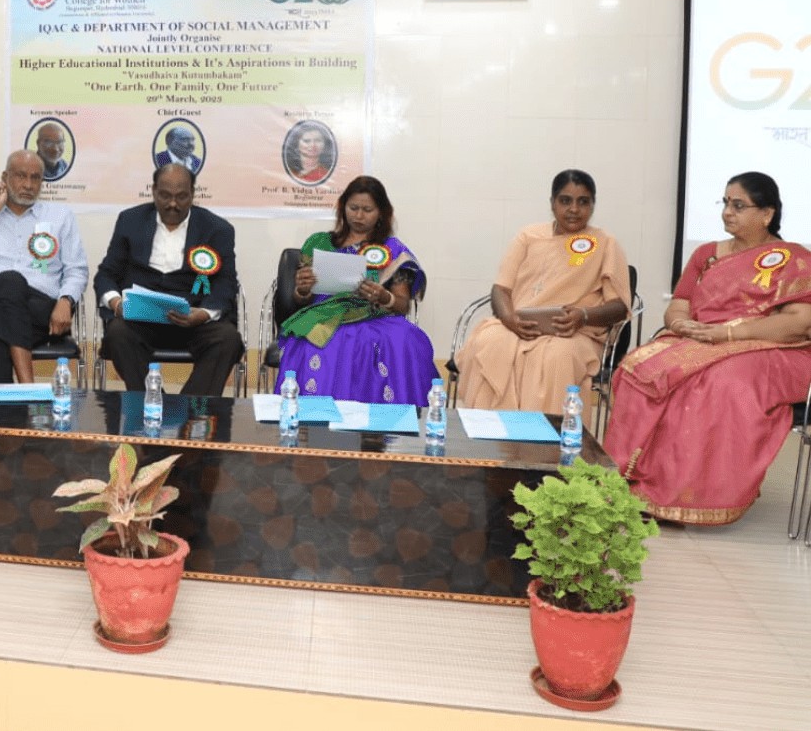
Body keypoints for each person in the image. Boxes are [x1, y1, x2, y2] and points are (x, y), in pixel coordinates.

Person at [604, 172, 811, 526]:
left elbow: (800, 322)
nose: (727, 212)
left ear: (767, 214)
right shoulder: (707, 254)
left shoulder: (795, 259)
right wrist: (682, 324)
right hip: (699, 340)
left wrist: (728, 334)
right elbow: (679, 304)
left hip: (773, 349)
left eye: (739, 205)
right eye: (726, 203)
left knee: (716, 382)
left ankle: (683, 496)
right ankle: (628, 481)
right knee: (636, 368)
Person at [455, 170, 630, 417]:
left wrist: (583, 316)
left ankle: (547, 437)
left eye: (583, 202)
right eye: (565, 200)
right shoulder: (529, 236)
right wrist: (510, 319)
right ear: (552, 203)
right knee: (489, 341)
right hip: (519, 325)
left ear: (593, 205)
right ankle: (489, 429)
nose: (574, 209)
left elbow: (619, 307)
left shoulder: (605, 243)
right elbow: (501, 289)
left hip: (574, 332)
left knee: (557, 356)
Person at [276, 176, 436, 405]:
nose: (359, 216)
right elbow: (301, 301)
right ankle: (316, 419)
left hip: (376, 319)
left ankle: (382, 421)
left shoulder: (393, 250)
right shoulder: (319, 243)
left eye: (367, 210)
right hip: (324, 317)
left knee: (404, 339)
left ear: (382, 213)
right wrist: (302, 290)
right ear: (343, 207)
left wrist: (384, 296)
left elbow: (402, 305)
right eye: (353, 208)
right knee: (317, 338)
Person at [94, 164, 242, 394]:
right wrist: (116, 303)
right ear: (153, 191)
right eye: (165, 195)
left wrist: (204, 314)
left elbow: (226, 282)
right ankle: (151, 400)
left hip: (192, 318)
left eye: (181, 196)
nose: (173, 204)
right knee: (118, 333)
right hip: (142, 320)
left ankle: (190, 410)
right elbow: (106, 274)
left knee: (227, 339)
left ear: (193, 194)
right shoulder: (130, 221)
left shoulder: (217, 229)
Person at [0, 150, 88, 382]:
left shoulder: (60, 217)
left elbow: (76, 269)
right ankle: (27, 385)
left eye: (35, 178)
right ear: (5, 177)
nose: (28, 185)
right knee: (10, 280)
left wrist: (66, 300)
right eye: (21, 176)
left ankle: (1, 399)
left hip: (38, 308)